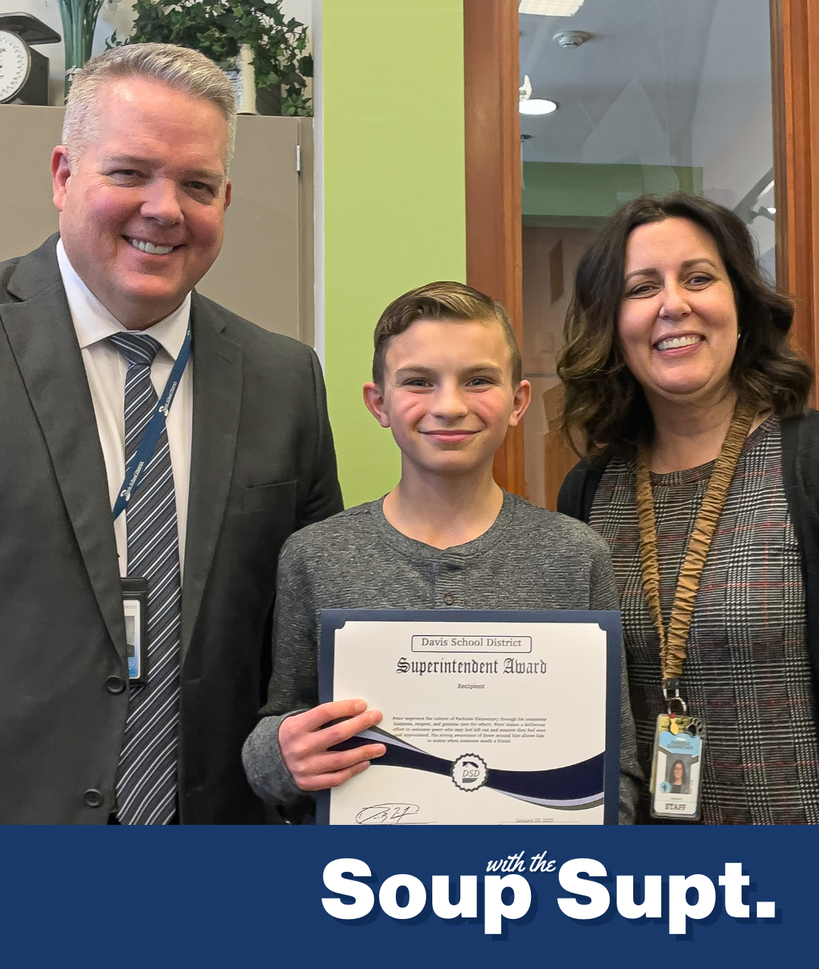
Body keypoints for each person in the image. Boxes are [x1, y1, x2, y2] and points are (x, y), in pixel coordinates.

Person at [0, 43, 342, 824]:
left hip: (216, 847)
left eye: (197, 184)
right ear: (62, 175)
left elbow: (305, 632)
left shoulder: (285, 379)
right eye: (129, 173)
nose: (165, 209)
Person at [242, 281, 641, 823]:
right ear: (378, 403)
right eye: (418, 382)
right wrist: (283, 755)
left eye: (478, 380)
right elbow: (279, 728)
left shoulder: (575, 556)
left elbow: (614, 761)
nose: (449, 406)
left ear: (518, 402)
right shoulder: (315, 556)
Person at [557, 191, 819, 824]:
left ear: (741, 305)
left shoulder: (809, 461)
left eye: (699, 278)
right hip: (662, 888)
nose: (674, 304)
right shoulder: (589, 491)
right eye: (641, 288)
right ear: (612, 325)